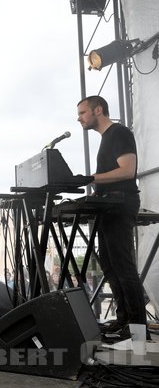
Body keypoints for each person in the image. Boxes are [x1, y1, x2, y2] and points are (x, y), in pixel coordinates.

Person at [77, 95, 147, 338]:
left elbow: (128, 170)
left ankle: (138, 327)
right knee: (109, 264)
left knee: (123, 265)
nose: (79, 118)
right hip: (108, 206)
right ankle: (124, 318)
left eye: (83, 113)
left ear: (98, 110)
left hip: (121, 203)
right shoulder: (106, 138)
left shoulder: (119, 133)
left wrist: (91, 178)